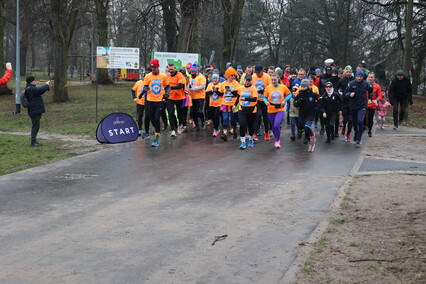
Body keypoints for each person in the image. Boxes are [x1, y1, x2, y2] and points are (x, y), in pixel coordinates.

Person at [143, 59, 170, 147]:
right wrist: (146, 88)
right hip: (150, 100)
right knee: (152, 119)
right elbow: (145, 86)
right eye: (152, 67)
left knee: (156, 118)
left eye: (154, 67)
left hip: (160, 101)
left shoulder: (163, 76)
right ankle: (157, 130)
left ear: (157, 66)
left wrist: (167, 93)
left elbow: (168, 86)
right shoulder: (147, 76)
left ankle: (156, 138)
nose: (153, 69)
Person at [345, 70, 373, 145]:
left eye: (361, 77)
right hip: (353, 105)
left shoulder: (366, 84)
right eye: (358, 76)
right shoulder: (351, 84)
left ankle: (359, 137)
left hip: (362, 105)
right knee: (354, 122)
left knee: (360, 121)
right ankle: (356, 133)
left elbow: (371, 91)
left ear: (363, 77)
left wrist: (370, 98)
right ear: (355, 76)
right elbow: (345, 93)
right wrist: (350, 94)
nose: (359, 78)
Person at [264, 73, 290, 148]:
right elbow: (264, 97)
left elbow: (289, 94)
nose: (273, 81)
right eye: (272, 80)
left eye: (275, 80)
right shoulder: (268, 87)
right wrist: (266, 102)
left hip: (280, 109)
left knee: (276, 124)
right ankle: (276, 138)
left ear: (278, 80)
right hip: (271, 109)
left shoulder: (282, 87)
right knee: (273, 126)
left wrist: (284, 100)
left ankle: (277, 141)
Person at [294, 79, 319, 152]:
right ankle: (309, 141)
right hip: (302, 114)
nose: (303, 88)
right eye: (302, 86)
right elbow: (295, 103)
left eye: (305, 87)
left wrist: (317, 107)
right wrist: (297, 103)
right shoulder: (299, 94)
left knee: (307, 128)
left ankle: (312, 135)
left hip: (310, 114)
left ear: (308, 86)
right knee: (301, 126)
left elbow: (320, 99)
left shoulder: (312, 94)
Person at [25, 76, 50, 146]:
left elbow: (41, 91)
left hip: (35, 110)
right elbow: (41, 89)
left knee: (36, 126)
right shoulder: (30, 89)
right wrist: (46, 84)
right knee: (35, 126)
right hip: (34, 110)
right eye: (34, 80)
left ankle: (34, 141)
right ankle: (33, 142)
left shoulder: (31, 89)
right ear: (31, 82)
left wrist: (46, 87)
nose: (35, 81)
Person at [237, 74, 258, 149]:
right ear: (244, 80)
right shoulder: (240, 88)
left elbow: (255, 99)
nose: (248, 81)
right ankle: (242, 141)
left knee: (250, 125)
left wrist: (245, 99)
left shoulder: (253, 88)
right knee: (242, 124)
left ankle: (250, 139)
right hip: (242, 108)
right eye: (247, 80)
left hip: (251, 109)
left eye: (249, 80)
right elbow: (238, 97)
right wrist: (234, 104)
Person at [219, 67, 240, 141]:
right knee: (225, 119)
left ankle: (234, 130)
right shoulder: (223, 84)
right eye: (232, 75)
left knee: (233, 120)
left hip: (233, 104)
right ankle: (225, 134)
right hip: (225, 104)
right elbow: (221, 93)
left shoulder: (236, 83)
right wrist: (215, 91)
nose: (233, 77)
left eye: (234, 75)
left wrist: (231, 90)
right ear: (228, 75)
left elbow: (237, 93)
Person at [166, 62, 187, 137]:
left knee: (179, 113)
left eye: (172, 69)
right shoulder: (167, 75)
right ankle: (173, 129)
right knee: (170, 113)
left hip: (179, 97)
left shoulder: (180, 75)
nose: (171, 71)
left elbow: (180, 86)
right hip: (170, 97)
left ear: (175, 68)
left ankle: (180, 124)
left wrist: (170, 87)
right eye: (169, 69)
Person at [252, 64, 272, 140]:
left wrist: (264, 90)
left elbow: (270, 87)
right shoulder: (253, 77)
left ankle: (266, 133)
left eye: (258, 72)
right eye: (256, 72)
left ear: (262, 71)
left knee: (265, 117)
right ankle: (255, 133)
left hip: (265, 100)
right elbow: (251, 87)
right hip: (257, 100)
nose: (257, 74)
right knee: (256, 117)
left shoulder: (267, 77)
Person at [188, 63, 207, 130]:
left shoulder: (201, 77)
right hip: (192, 97)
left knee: (199, 111)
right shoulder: (190, 78)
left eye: (193, 72)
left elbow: (203, 86)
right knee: (193, 112)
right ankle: (196, 124)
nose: (191, 73)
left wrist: (193, 89)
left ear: (197, 72)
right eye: (191, 72)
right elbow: (189, 85)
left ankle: (203, 121)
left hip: (200, 97)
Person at [365, 72, 382, 137]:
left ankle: (369, 131)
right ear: (367, 77)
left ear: (374, 78)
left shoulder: (377, 86)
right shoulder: (364, 84)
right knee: (363, 117)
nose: (370, 78)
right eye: (369, 77)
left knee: (370, 118)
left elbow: (380, 95)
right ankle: (362, 128)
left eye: (371, 77)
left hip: (372, 105)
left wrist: (376, 100)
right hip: (364, 104)